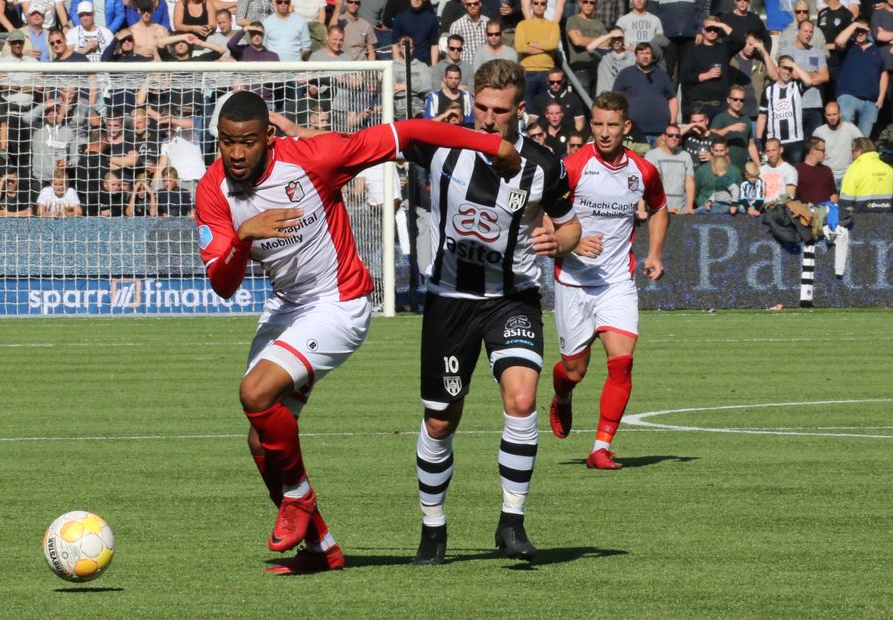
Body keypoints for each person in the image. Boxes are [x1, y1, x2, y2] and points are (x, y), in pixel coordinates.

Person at [194, 89, 525, 574]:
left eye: (246, 142)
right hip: (288, 307)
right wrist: (244, 237)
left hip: (340, 302)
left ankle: (298, 502)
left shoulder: (316, 157)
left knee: (255, 392)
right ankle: (321, 547)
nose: (237, 154)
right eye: (227, 143)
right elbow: (222, 285)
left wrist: (488, 144)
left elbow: (407, 133)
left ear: (268, 135)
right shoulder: (211, 191)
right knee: (259, 440)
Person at [402, 58, 580, 566]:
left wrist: (557, 237)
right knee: (440, 422)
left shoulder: (544, 164)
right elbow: (367, 148)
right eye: (479, 107)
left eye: (498, 110)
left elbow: (571, 229)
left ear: (518, 111)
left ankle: (512, 521)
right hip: (450, 301)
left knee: (522, 399)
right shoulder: (440, 145)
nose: (486, 118)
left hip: (512, 297)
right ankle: (433, 529)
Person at [549, 90, 669, 470]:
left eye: (612, 125)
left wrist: (654, 253)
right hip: (572, 282)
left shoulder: (643, 170)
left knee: (622, 363)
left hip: (617, 282)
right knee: (574, 370)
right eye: (597, 123)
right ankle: (562, 397)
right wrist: (571, 242)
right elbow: (541, 211)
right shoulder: (574, 165)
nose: (603, 132)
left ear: (626, 127)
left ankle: (601, 446)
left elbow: (660, 207)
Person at [612, 42, 678, 146]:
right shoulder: (625, 74)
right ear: (636, 55)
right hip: (634, 133)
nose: (645, 56)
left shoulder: (662, 75)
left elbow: (673, 99)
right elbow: (615, 99)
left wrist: (672, 123)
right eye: (641, 53)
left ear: (652, 56)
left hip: (660, 133)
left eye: (648, 53)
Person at [832, 20, 886, 138]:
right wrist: (855, 24)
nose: (860, 33)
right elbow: (838, 41)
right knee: (846, 135)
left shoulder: (876, 50)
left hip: (870, 102)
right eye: (857, 31)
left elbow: (883, 73)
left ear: (868, 32)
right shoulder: (848, 46)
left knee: (863, 140)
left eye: (863, 31)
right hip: (848, 97)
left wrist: (881, 97)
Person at [757, 55, 812, 166]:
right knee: (775, 175)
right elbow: (762, 116)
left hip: (795, 141)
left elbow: (809, 81)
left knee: (793, 175)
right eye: (784, 68)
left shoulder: (796, 86)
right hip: (774, 142)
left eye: (790, 69)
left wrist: (793, 65)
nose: (787, 72)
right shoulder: (768, 90)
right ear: (778, 69)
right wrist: (758, 139)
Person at [514, 0, 560, 109]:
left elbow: (553, 45)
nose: (539, 6)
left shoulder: (553, 25)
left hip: (547, 73)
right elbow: (520, 47)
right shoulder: (522, 25)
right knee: (527, 110)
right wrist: (545, 48)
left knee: (548, 109)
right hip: (527, 73)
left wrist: (531, 44)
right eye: (536, 3)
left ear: (546, 6)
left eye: (542, 3)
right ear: (531, 5)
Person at [645, 123, 696, 214]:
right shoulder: (651, 155)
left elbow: (689, 182)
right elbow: (645, 183)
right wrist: (641, 209)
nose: (674, 138)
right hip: (657, 210)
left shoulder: (686, 156)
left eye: (677, 136)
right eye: (670, 135)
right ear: (664, 137)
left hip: (680, 209)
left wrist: (689, 206)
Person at [812, 101, 862, 187]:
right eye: (829, 115)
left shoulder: (851, 129)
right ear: (825, 115)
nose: (832, 118)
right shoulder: (819, 132)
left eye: (834, 114)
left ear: (840, 113)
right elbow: (813, 156)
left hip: (848, 175)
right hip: (827, 175)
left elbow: (864, 147)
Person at [795, 136, 838, 205]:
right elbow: (794, 198)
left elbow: (833, 194)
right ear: (812, 151)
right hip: (807, 213)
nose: (825, 154)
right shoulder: (797, 171)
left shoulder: (827, 170)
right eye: (823, 151)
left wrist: (831, 210)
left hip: (827, 213)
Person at [759, 138, 798, 203]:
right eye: (768, 151)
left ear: (781, 150)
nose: (771, 155)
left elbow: (790, 197)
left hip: (780, 210)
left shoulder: (790, 170)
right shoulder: (761, 170)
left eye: (773, 150)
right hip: (762, 210)